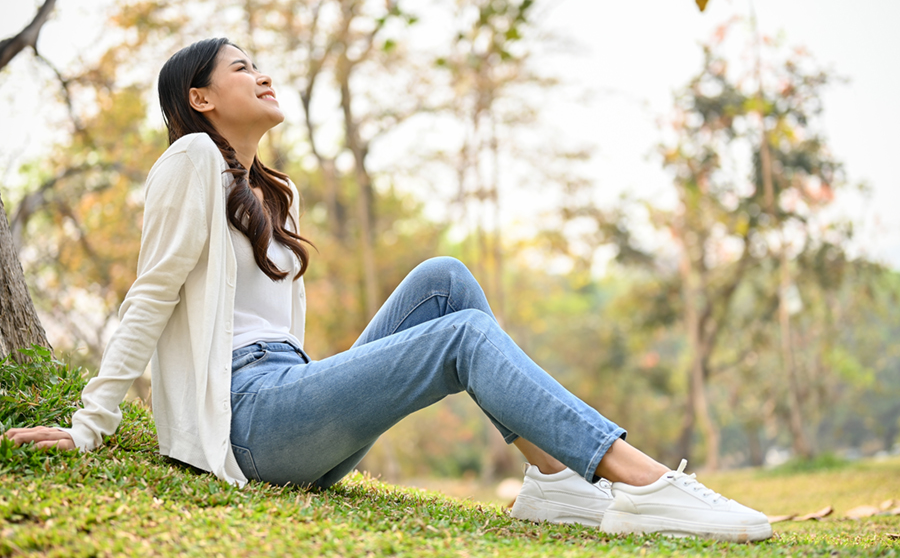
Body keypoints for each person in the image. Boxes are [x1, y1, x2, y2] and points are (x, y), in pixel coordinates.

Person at [4, 38, 772, 543]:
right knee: (462, 338)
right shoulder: (188, 165)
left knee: (446, 282)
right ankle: (645, 483)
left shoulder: (276, 192)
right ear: (200, 99)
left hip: (292, 394)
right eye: (241, 68)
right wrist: (88, 423)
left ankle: (555, 483)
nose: (262, 74)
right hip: (250, 419)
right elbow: (151, 293)